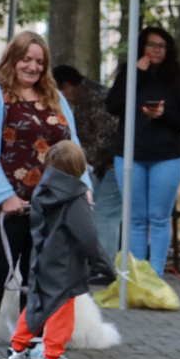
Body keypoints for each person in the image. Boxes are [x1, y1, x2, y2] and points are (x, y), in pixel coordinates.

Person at [0, 31, 91, 359]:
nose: (33, 67)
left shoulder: (55, 98)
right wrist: (4, 196)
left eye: (39, 61)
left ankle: (29, 343)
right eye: (26, 59)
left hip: (52, 205)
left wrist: (84, 185)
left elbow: (72, 145)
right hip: (7, 206)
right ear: (12, 59)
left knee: (41, 276)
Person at [0, 140, 115, 359]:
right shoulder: (75, 197)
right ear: (80, 167)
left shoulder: (42, 189)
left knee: (37, 306)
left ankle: (17, 351)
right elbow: (87, 235)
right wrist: (102, 262)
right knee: (61, 313)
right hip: (66, 265)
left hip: (42, 258)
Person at [106, 26, 180, 277]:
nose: (156, 50)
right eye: (150, 45)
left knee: (158, 217)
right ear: (141, 48)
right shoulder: (129, 73)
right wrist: (137, 74)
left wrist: (163, 114)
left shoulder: (178, 78)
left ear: (168, 50)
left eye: (161, 46)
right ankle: (136, 275)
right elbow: (112, 106)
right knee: (135, 219)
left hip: (166, 156)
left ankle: (155, 275)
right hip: (130, 154)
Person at [53, 64, 121, 260]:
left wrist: (73, 155)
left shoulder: (100, 101)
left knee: (104, 215)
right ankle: (95, 262)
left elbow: (106, 143)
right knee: (93, 213)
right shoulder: (84, 102)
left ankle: (106, 267)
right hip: (102, 169)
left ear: (68, 87)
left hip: (114, 166)